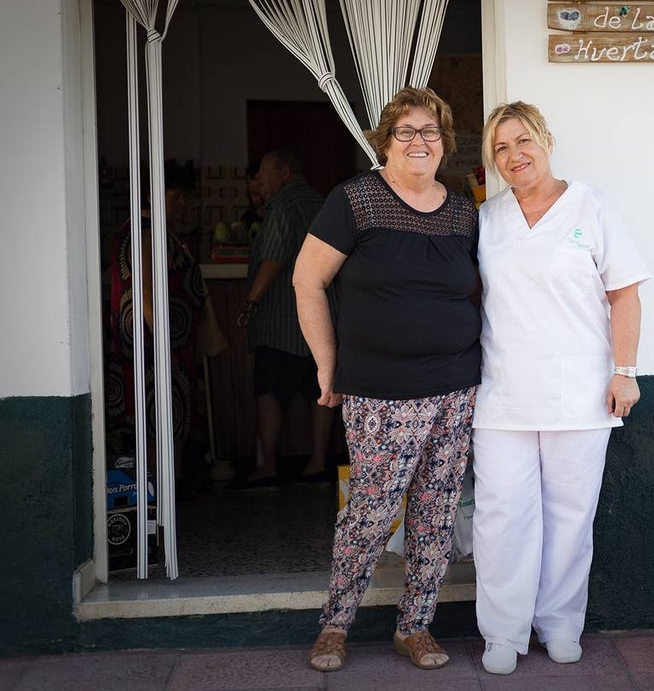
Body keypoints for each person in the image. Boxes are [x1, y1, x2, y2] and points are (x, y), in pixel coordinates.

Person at [293, 87, 481, 673]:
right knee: (371, 510)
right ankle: (335, 624)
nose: (419, 142)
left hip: (456, 387)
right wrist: (327, 363)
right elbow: (307, 282)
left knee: (437, 508)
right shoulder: (355, 201)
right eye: (407, 131)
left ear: (445, 143)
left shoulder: (463, 211)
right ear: (385, 140)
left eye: (431, 132)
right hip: (379, 392)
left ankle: (415, 626)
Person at [471, 102, 650, 675]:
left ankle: (560, 624)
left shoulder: (590, 206)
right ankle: (503, 632)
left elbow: (624, 293)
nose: (513, 155)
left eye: (522, 141)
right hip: (502, 392)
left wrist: (626, 370)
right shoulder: (488, 216)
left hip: (580, 390)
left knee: (571, 515)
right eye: (500, 148)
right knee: (501, 515)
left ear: (546, 140)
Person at [232, 150, 333, 489]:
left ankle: (268, 467)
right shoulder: (326, 203)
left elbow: (274, 258)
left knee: (269, 392)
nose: (259, 178)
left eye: (263, 170)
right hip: (323, 317)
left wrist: (251, 302)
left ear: (285, 171)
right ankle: (318, 463)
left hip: (281, 321)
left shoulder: (282, 206)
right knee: (319, 390)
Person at [106, 160, 207, 498]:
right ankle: (162, 495)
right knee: (159, 419)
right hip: (155, 350)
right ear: (154, 195)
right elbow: (147, 291)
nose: (182, 205)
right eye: (177, 197)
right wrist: (163, 343)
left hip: (152, 346)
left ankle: (160, 493)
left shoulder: (142, 230)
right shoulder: (147, 234)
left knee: (154, 419)